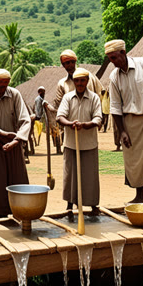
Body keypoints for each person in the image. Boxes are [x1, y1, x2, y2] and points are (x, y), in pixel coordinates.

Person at [106, 39, 143, 205]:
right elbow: (115, 106)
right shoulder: (114, 77)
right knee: (133, 161)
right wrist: (122, 131)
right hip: (129, 123)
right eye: (110, 59)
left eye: (114, 58)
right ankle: (139, 196)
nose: (112, 62)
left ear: (123, 53)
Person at [0, 69, 31, 219]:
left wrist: (16, 140)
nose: (0, 90)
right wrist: (3, 134)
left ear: (8, 83)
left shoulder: (15, 94)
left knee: (18, 179)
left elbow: (25, 119)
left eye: (3, 86)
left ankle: (19, 214)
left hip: (14, 143)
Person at [57, 68, 102, 215]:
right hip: (71, 143)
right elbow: (60, 117)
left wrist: (86, 125)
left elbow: (98, 118)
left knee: (90, 176)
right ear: (74, 82)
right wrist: (70, 124)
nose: (80, 83)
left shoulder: (94, 97)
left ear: (87, 81)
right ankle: (70, 205)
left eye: (82, 80)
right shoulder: (68, 97)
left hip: (89, 144)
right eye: (77, 81)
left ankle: (93, 205)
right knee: (71, 175)